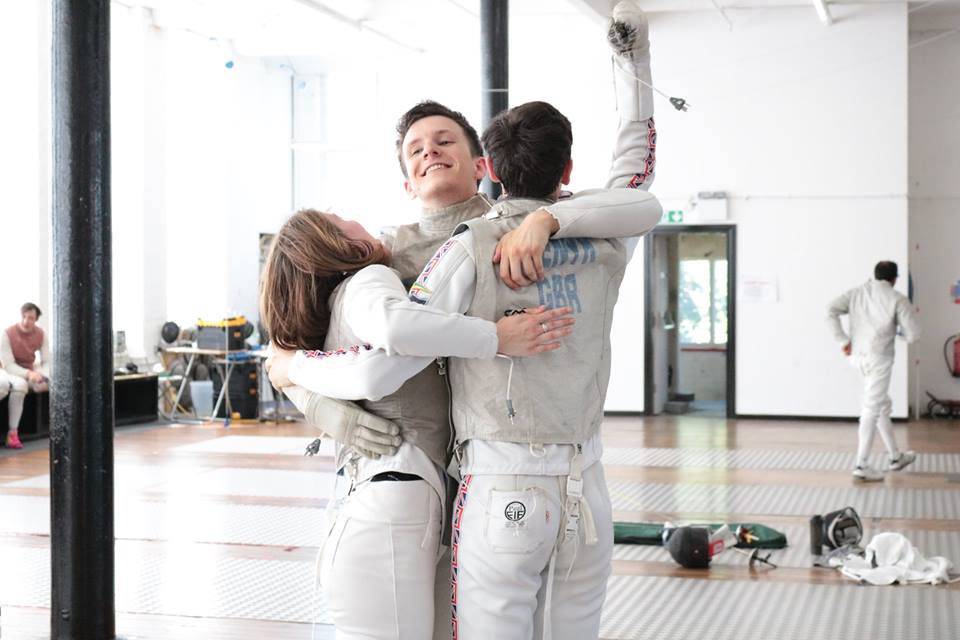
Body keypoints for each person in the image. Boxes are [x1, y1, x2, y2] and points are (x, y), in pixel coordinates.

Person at [266, 4, 660, 637]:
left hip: (490, 482)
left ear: (487, 166)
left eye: (444, 140)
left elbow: (385, 353)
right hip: (444, 481)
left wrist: (546, 218)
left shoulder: (476, 243)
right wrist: (306, 393)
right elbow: (292, 331)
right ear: (404, 181)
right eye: (414, 149)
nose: (429, 152)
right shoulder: (377, 254)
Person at [827, 260, 921, 482]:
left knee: (882, 404)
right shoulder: (897, 298)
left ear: (876, 275)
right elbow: (914, 335)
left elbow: (830, 310)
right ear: (894, 278)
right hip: (879, 358)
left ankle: (895, 457)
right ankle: (862, 465)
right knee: (871, 408)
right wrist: (898, 334)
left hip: (857, 358)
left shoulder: (857, 292)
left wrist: (842, 340)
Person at [1, 302, 50, 449]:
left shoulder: (41, 334)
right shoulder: (7, 334)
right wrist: (29, 374)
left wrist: (42, 376)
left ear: (36, 320)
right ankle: (13, 433)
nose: (26, 321)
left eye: (30, 318)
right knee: (20, 385)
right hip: (9, 373)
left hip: (29, 372)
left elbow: (47, 361)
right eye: (24, 316)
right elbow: (8, 365)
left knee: (52, 383)